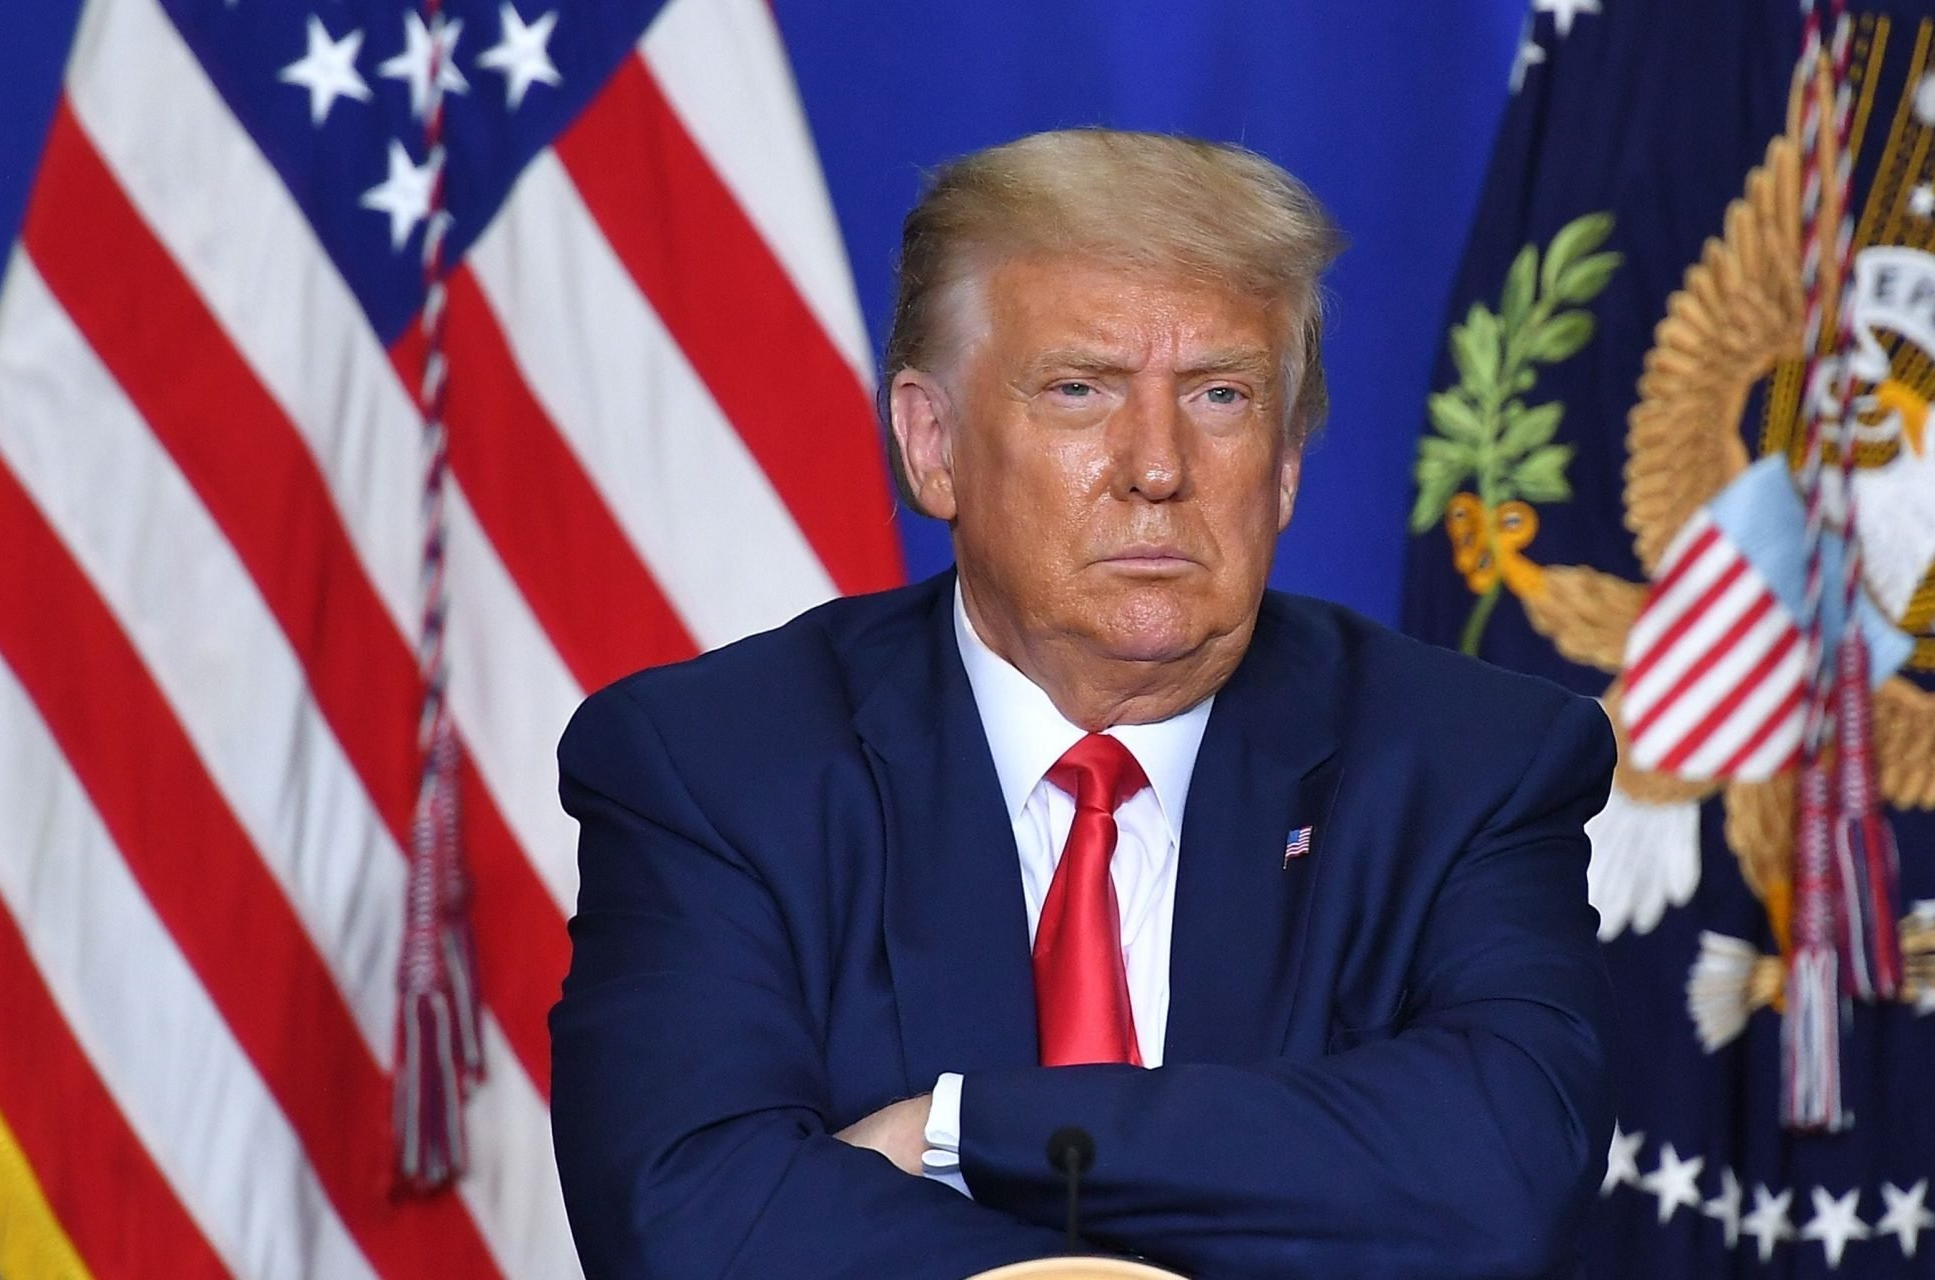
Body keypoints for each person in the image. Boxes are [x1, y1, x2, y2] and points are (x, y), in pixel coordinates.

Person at [550, 128, 1616, 1279]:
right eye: (1078, 389)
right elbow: (691, 1220)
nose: (1156, 464)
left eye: (1220, 393)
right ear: (932, 442)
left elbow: (1502, 1170)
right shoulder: (712, 765)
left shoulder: (1470, 763)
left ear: (1288, 462)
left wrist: (959, 1129)